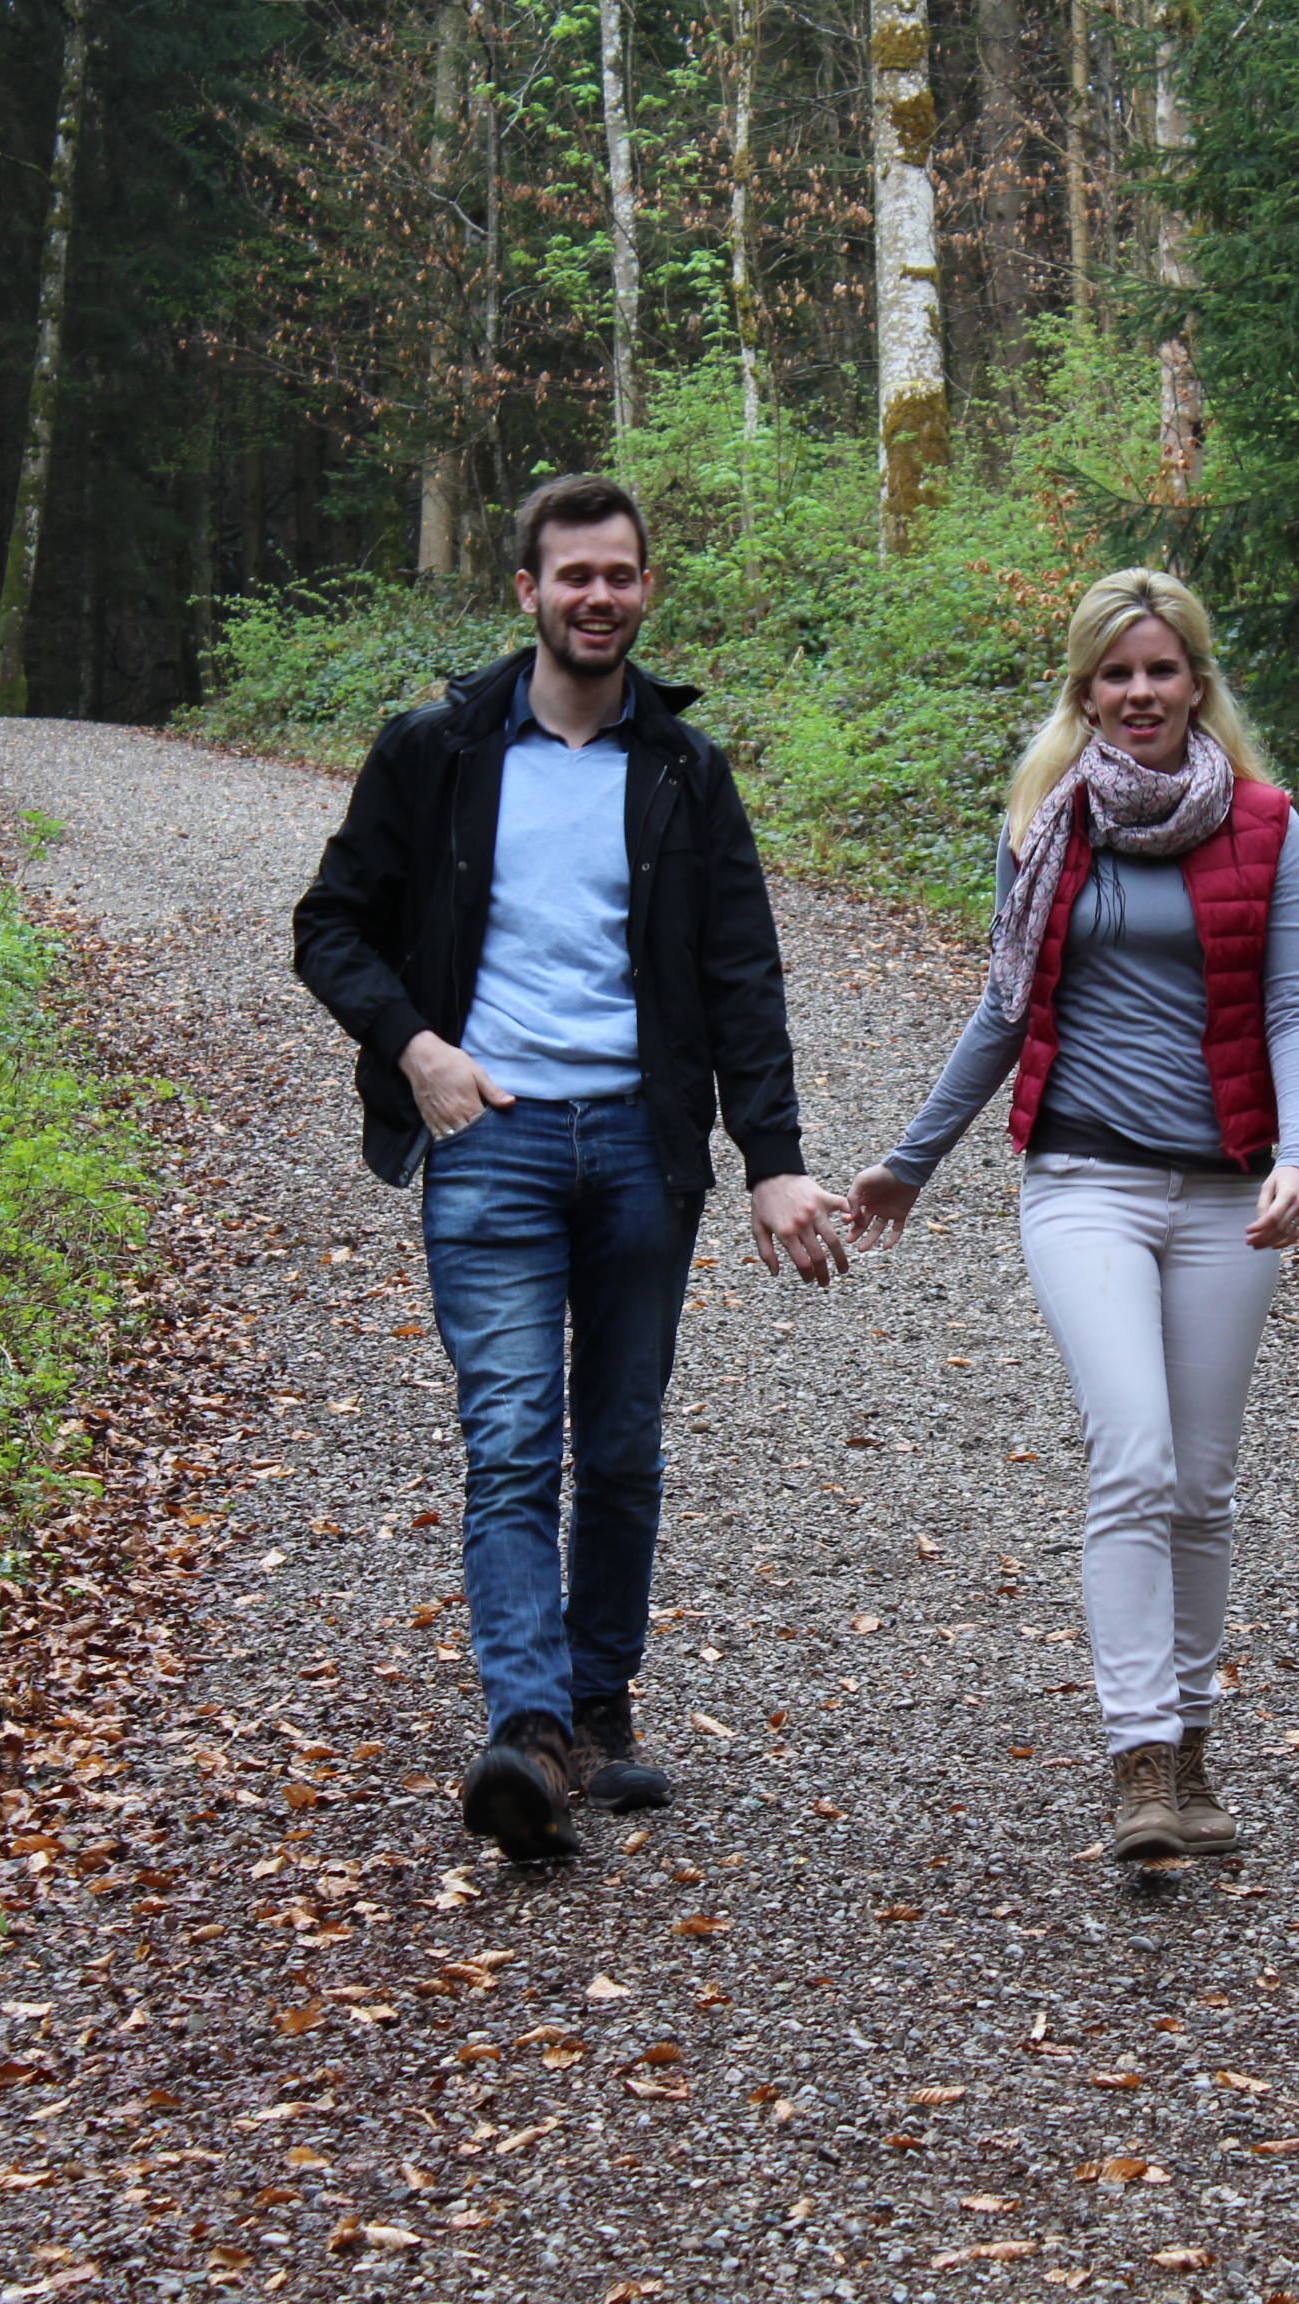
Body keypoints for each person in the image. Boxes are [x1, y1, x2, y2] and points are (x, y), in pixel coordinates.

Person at [293, 473, 849, 1866]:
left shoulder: (681, 771)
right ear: (527, 593)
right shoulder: (436, 752)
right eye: (573, 575)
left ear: (645, 592)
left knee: (615, 1443)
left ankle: (600, 1708)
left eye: (621, 575)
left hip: (643, 1148)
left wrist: (772, 1161)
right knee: (511, 1442)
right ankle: (529, 1730)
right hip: (492, 1137)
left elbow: (741, 977)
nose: (598, 596)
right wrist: (418, 1047)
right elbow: (329, 924)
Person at [846, 568, 1299, 1863]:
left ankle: (1196, 1739)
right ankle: (1139, 1762)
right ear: (1085, 690)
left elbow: (1293, 1008)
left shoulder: (1268, 825)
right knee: (1139, 1455)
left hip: (1229, 1189)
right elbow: (1004, 1010)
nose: (1140, 693)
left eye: (1161, 671)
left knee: (1207, 1486)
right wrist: (911, 1163)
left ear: (1197, 682)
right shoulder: (1048, 829)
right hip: (1085, 1183)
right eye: (1116, 674)